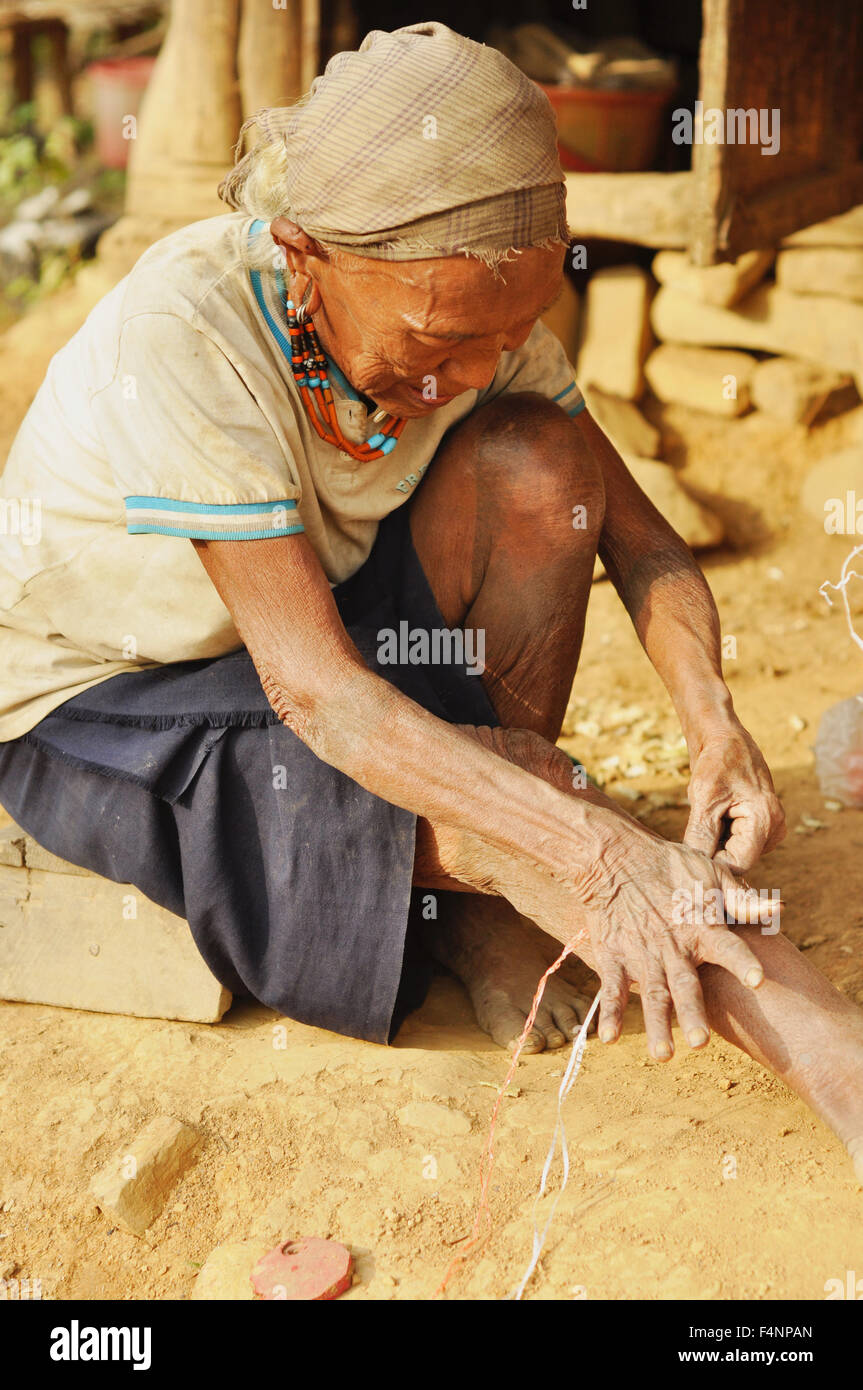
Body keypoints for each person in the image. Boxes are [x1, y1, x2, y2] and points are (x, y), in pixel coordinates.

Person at [1, 22, 861, 1176]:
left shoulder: (482, 321)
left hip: (325, 623)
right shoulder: (185, 336)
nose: (469, 372)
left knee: (543, 473)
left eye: (506, 334)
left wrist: (714, 722)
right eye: (438, 341)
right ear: (304, 254)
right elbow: (320, 700)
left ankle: (490, 891)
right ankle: (825, 1050)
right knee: (532, 799)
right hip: (115, 699)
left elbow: (641, 545)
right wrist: (591, 843)